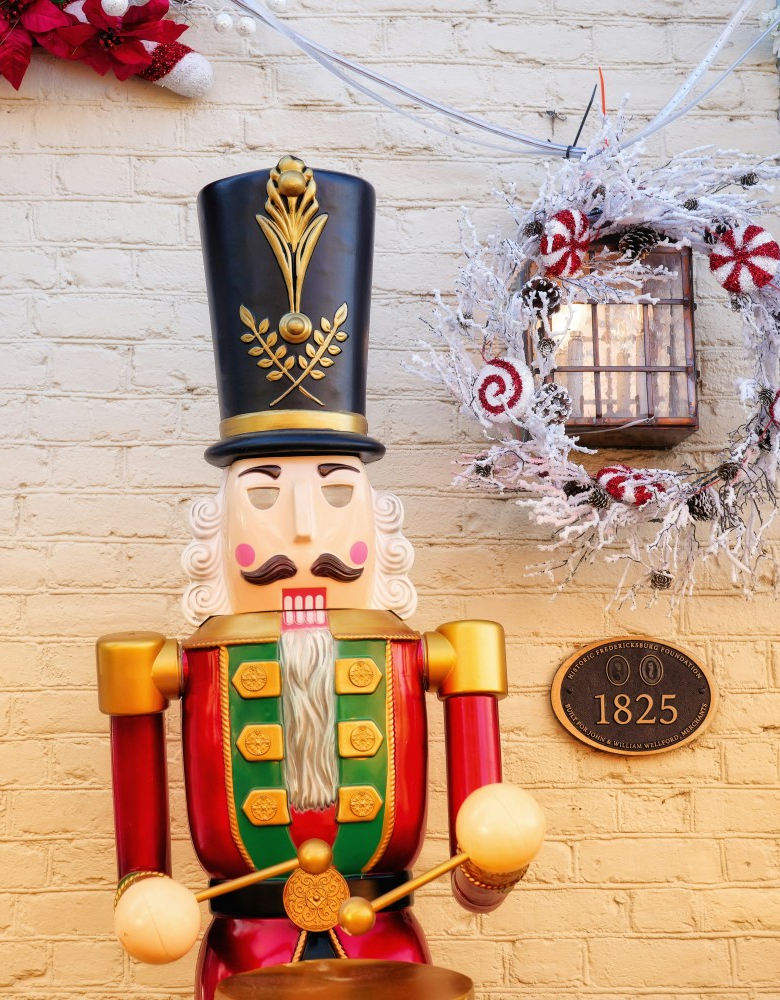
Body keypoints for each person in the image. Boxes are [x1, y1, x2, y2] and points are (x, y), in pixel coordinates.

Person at [97, 157, 544, 997]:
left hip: (392, 941)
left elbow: (476, 881)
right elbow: (142, 878)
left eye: (338, 492)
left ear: (376, 516)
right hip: (241, 950)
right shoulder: (167, 663)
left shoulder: (444, 651)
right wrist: (146, 901)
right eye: (263, 493)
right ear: (219, 518)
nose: (306, 531)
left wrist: (494, 861)